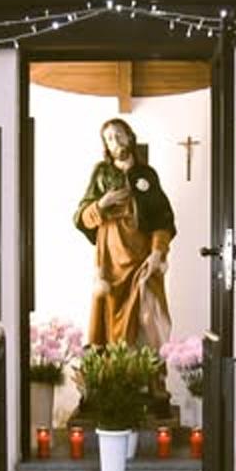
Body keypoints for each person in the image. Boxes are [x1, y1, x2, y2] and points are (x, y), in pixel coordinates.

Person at [74, 118, 176, 348]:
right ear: (106, 145)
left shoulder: (146, 174)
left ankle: (148, 370)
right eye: (109, 138)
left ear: (129, 137)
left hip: (142, 258)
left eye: (119, 134)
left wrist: (157, 253)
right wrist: (102, 203)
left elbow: (163, 220)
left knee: (149, 319)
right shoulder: (101, 174)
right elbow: (81, 217)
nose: (116, 141)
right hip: (111, 262)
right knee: (111, 323)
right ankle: (115, 369)